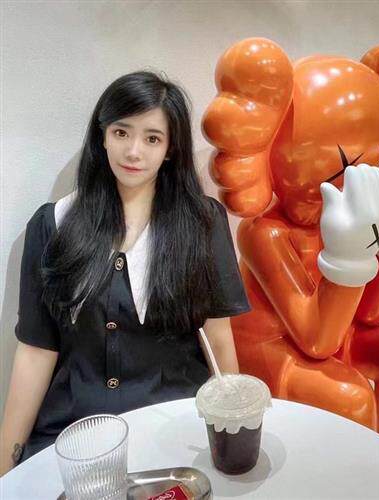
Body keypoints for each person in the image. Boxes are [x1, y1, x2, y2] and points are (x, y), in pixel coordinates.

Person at [0, 71, 251, 475]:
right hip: (73, 435)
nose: (134, 152)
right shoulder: (53, 224)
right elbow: (36, 349)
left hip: (173, 430)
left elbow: (218, 340)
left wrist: (231, 433)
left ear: (170, 149)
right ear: (102, 136)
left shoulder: (202, 223)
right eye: (121, 132)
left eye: (152, 138)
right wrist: (5, 466)